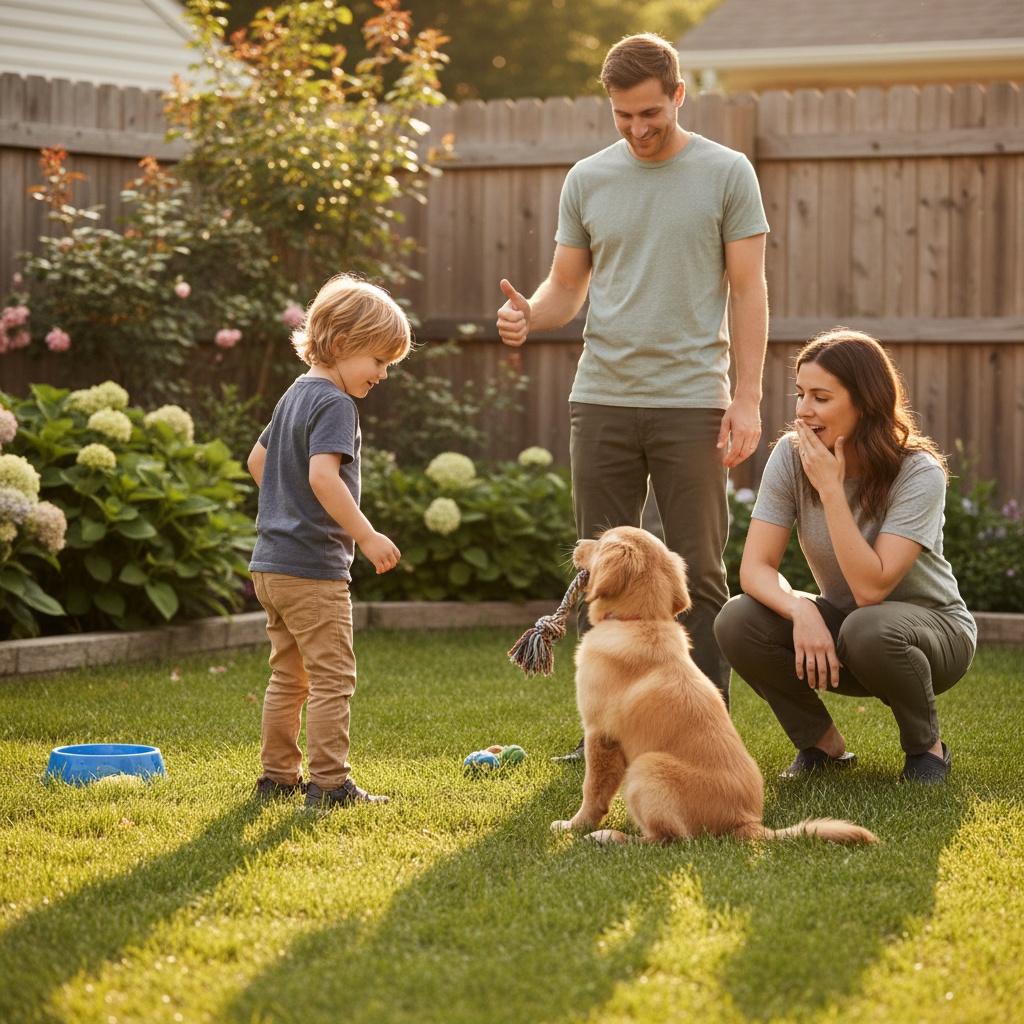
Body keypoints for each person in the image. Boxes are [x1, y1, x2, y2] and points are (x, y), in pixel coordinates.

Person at [496, 33, 769, 758]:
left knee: (697, 572)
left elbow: (748, 290)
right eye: (623, 116)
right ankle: (608, 735)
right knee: (601, 571)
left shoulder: (727, 172)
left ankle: (702, 728)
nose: (638, 129)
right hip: (602, 399)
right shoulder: (588, 178)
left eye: (651, 113)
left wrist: (747, 397)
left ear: (678, 95)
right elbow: (566, 287)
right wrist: (531, 316)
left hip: (693, 400)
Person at [714, 328, 976, 785]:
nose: (803, 409)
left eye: (820, 397)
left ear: (865, 404)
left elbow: (871, 589)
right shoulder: (790, 457)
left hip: (934, 635)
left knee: (867, 625)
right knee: (737, 619)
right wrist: (800, 610)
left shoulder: (918, 471)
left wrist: (831, 490)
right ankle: (820, 745)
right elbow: (755, 568)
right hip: (850, 629)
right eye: (800, 394)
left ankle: (927, 749)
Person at [248, 273, 412, 808]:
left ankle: (278, 777)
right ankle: (329, 784)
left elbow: (257, 461)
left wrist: (285, 507)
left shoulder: (294, 394)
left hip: (270, 564)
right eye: (379, 360)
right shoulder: (337, 404)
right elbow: (324, 477)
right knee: (332, 678)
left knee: (288, 676)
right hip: (313, 570)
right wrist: (366, 535)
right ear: (342, 344)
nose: (383, 374)